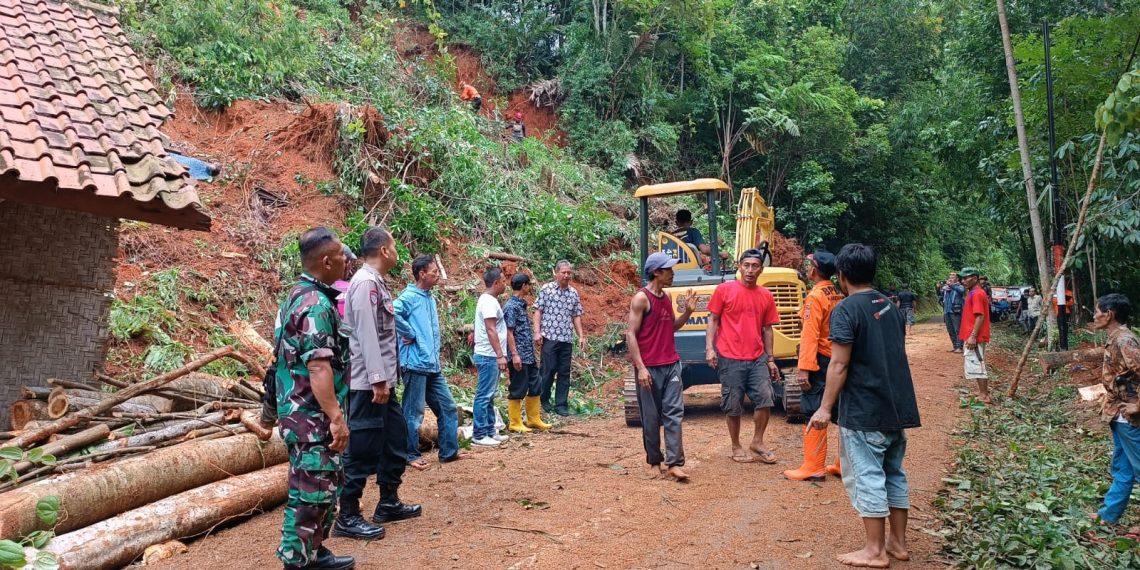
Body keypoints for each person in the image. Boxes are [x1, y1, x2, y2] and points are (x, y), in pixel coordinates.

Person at [808, 243, 921, 569]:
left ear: (841, 275)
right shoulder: (890, 306)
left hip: (865, 410)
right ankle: (897, 544)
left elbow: (839, 364)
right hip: (896, 407)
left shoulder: (846, 309)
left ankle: (874, 551)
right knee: (893, 472)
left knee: (867, 475)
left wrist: (825, 408)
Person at [273, 227, 355, 570]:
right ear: (325, 261)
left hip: (304, 413)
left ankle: (315, 552)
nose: (345, 261)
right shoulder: (315, 304)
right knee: (310, 494)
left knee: (324, 488)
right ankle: (296, 561)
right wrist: (336, 418)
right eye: (340, 256)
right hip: (312, 417)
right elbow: (319, 366)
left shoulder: (299, 294)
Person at [335, 227, 422, 542]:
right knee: (361, 449)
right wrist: (378, 380)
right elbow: (367, 336)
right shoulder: (365, 283)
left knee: (394, 440)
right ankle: (347, 515)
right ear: (384, 250)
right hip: (369, 385)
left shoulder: (376, 283)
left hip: (383, 381)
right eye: (395, 245)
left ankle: (388, 502)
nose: (397, 251)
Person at [626, 253, 696, 482]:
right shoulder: (641, 299)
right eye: (668, 269)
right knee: (651, 417)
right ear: (656, 272)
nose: (672, 273)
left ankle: (674, 463)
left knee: (674, 414)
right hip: (650, 367)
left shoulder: (666, 298)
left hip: (671, 364)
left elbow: (670, 327)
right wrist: (641, 368)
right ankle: (654, 461)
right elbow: (630, 334)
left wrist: (687, 312)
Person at [706, 249, 781, 464]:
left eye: (754, 266)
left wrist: (770, 359)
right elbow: (713, 320)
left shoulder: (766, 295)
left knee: (765, 399)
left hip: (757, 357)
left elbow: (767, 329)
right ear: (739, 266)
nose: (750, 270)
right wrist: (710, 349)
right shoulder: (724, 290)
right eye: (746, 265)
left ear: (761, 269)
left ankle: (757, 441)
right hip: (729, 356)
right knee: (733, 404)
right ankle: (736, 445)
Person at [394, 255, 463, 471]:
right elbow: (392, 311)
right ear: (421, 274)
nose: (437, 276)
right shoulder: (409, 297)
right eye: (433, 271)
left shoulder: (429, 298)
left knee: (448, 407)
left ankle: (449, 452)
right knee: (414, 413)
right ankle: (409, 454)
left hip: (431, 364)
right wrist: (409, 332)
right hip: (415, 363)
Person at [784, 251, 844, 481]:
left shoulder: (815, 296)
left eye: (810, 264)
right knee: (840, 414)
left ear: (813, 271)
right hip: (837, 358)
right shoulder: (837, 292)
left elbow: (810, 335)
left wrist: (804, 368)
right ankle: (842, 464)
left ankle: (814, 466)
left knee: (813, 410)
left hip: (821, 360)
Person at [1090, 294, 1140, 527]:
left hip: (1130, 417)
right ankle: (1108, 516)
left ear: (1108, 314)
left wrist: (1137, 406)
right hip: (1118, 414)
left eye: (1097, 311)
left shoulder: (1125, 341)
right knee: (1123, 468)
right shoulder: (1116, 339)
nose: (1094, 315)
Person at [503, 272, 553, 433]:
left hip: (528, 355)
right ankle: (515, 422)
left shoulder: (521, 305)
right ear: (524, 286)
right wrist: (515, 354)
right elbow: (509, 332)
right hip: (519, 355)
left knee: (535, 384)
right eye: (528, 284)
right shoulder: (511, 306)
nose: (529, 287)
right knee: (518, 387)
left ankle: (533, 419)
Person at [535, 260, 586, 416]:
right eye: (563, 272)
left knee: (564, 372)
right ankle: (543, 400)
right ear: (556, 273)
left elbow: (576, 315)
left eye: (568, 272)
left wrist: (581, 336)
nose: (566, 275)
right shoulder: (547, 290)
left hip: (566, 339)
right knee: (548, 370)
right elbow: (538, 311)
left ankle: (561, 405)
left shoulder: (573, 293)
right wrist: (537, 332)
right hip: (550, 337)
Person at [473, 267, 510, 447]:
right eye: (503, 281)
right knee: (483, 395)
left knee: (489, 395)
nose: (505, 284)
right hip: (488, 355)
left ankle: (489, 430)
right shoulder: (488, 302)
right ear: (496, 283)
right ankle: (479, 434)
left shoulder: (489, 300)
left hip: (489, 355)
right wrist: (499, 355)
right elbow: (490, 329)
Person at [958, 267, 992, 404]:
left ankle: (984, 395)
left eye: (966, 278)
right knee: (976, 364)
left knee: (978, 363)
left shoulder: (977, 294)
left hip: (975, 336)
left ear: (975, 278)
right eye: (963, 278)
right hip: (972, 335)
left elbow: (980, 316)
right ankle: (981, 392)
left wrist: (973, 336)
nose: (963, 281)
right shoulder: (973, 293)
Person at [941, 273, 965, 353]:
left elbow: (961, 291)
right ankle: (955, 346)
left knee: (957, 329)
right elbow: (941, 297)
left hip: (955, 311)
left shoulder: (959, 286)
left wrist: (951, 285)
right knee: (950, 329)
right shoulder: (946, 288)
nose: (950, 278)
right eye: (950, 277)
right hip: (947, 311)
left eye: (953, 277)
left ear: (957, 279)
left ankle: (960, 347)